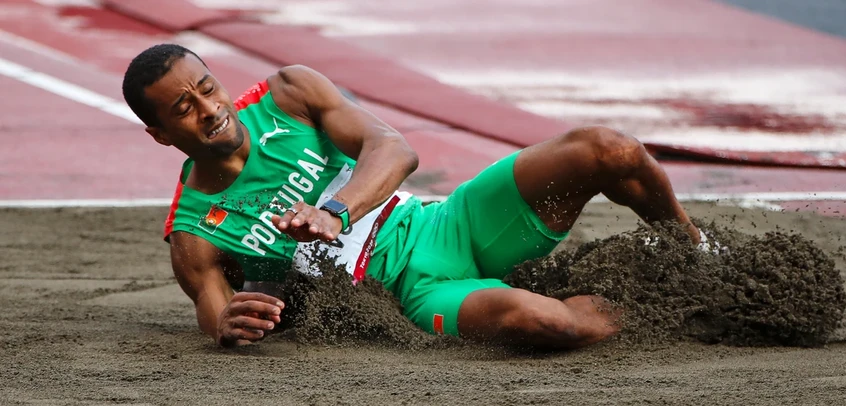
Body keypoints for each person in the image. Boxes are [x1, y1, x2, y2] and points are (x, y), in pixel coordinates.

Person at [122, 43, 706, 350]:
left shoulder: (289, 95)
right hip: (416, 290)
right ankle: (676, 315)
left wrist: (335, 211)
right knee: (544, 322)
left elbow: (394, 148)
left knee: (609, 149)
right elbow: (218, 314)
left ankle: (697, 256)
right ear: (159, 134)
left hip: (449, 223)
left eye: (206, 89)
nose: (208, 110)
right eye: (183, 109)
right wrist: (230, 326)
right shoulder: (194, 233)